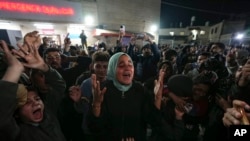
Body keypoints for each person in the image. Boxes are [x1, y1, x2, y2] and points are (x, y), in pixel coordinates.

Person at [86, 52, 164, 141]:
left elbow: (154, 121)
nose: (127, 68)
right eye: (121, 65)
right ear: (112, 68)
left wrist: (157, 98)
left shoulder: (140, 90)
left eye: (130, 65)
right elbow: (93, 128)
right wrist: (96, 105)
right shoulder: (102, 90)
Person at [0, 40, 66, 141]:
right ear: (17, 112)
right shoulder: (17, 133)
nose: (35, 103)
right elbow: (2, 114)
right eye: (27, 102)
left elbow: (59, 85)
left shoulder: (49, 115)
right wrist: (14, 69)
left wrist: (44, 67)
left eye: (37, 98)